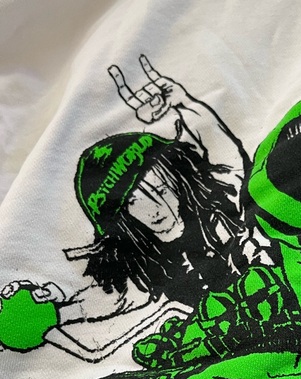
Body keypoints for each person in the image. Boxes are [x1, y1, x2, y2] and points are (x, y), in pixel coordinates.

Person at [0, 56, 270, 353]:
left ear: (178, 180)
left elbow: (225, 153)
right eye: (134, 201)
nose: (158, 206)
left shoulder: (221, 203)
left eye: (161, 187)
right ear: (121, 218)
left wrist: (183, 103)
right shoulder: (140, 268)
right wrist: (48, 312)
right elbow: (101, 300)